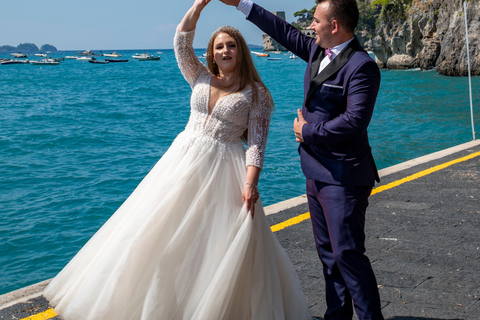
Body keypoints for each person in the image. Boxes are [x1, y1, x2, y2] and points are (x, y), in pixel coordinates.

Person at [43, 0, 312, 319]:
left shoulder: (257, 95)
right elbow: (181, 40)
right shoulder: (198, 76)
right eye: (219, 47)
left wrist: (250, 184)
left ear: (241, 51)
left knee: (212, 243)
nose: (225, 51)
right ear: (211, 53)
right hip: (181, 162)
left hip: (224, 170)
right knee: (156, 233)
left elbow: (256, 145)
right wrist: (199, 5)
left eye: (231, 46)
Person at [220, 0, 384, 319]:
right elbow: (281, 30)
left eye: (316, 21)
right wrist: (241, 3)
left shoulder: (361, 65)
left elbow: (354, 121)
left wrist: (307, 131)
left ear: (334, 26)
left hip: (344, 177)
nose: (310, 26)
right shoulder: (316, 51)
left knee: (348, 255)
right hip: (314, 171)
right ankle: (336, 316)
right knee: (328, 256)